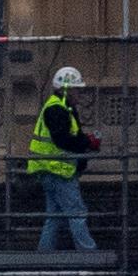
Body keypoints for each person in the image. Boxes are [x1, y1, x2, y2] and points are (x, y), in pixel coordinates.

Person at [26, 57, 96, 252]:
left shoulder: (61, 107)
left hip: (50, 169)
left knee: (54, 216)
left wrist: (86, 142)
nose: (79, 93)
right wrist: (87, 143)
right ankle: (89, 254)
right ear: (66, 89)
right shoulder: (57, 109)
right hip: (58, 170)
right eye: (76, 89)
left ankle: (44, 254)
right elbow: (62, 140)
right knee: (77, 213)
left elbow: (67, 137)